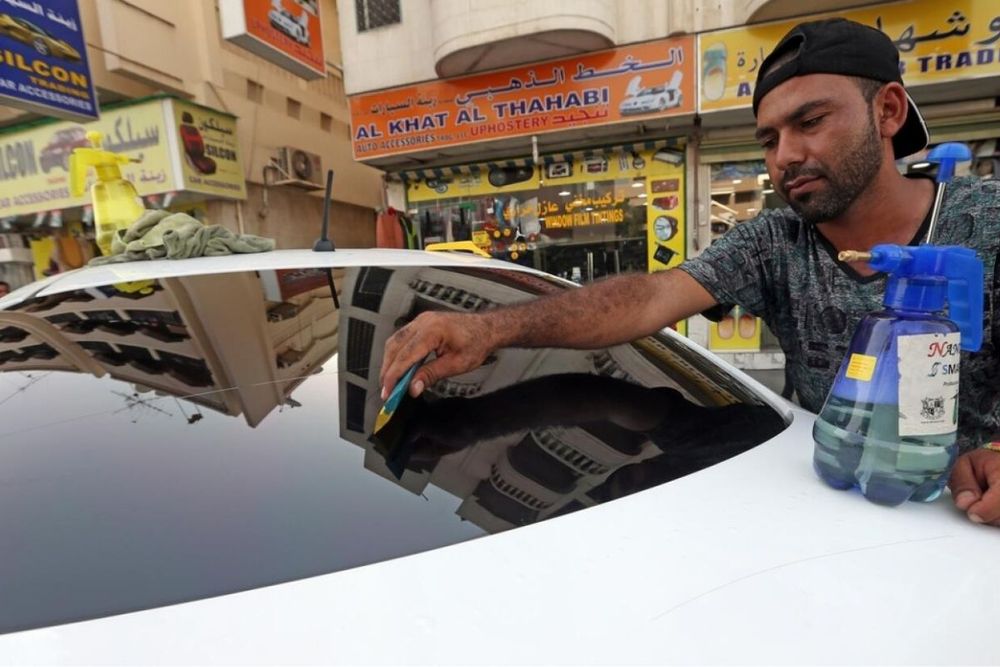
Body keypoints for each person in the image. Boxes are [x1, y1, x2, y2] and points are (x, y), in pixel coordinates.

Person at [380, 19, 1000, 526]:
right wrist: (488, 330)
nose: (786, 156)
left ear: (887, 111)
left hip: (963, 527)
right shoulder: (775, 241)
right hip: (822, 512)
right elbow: (650, 298)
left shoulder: (987, 221)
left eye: (810, 122)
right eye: (768, 139)